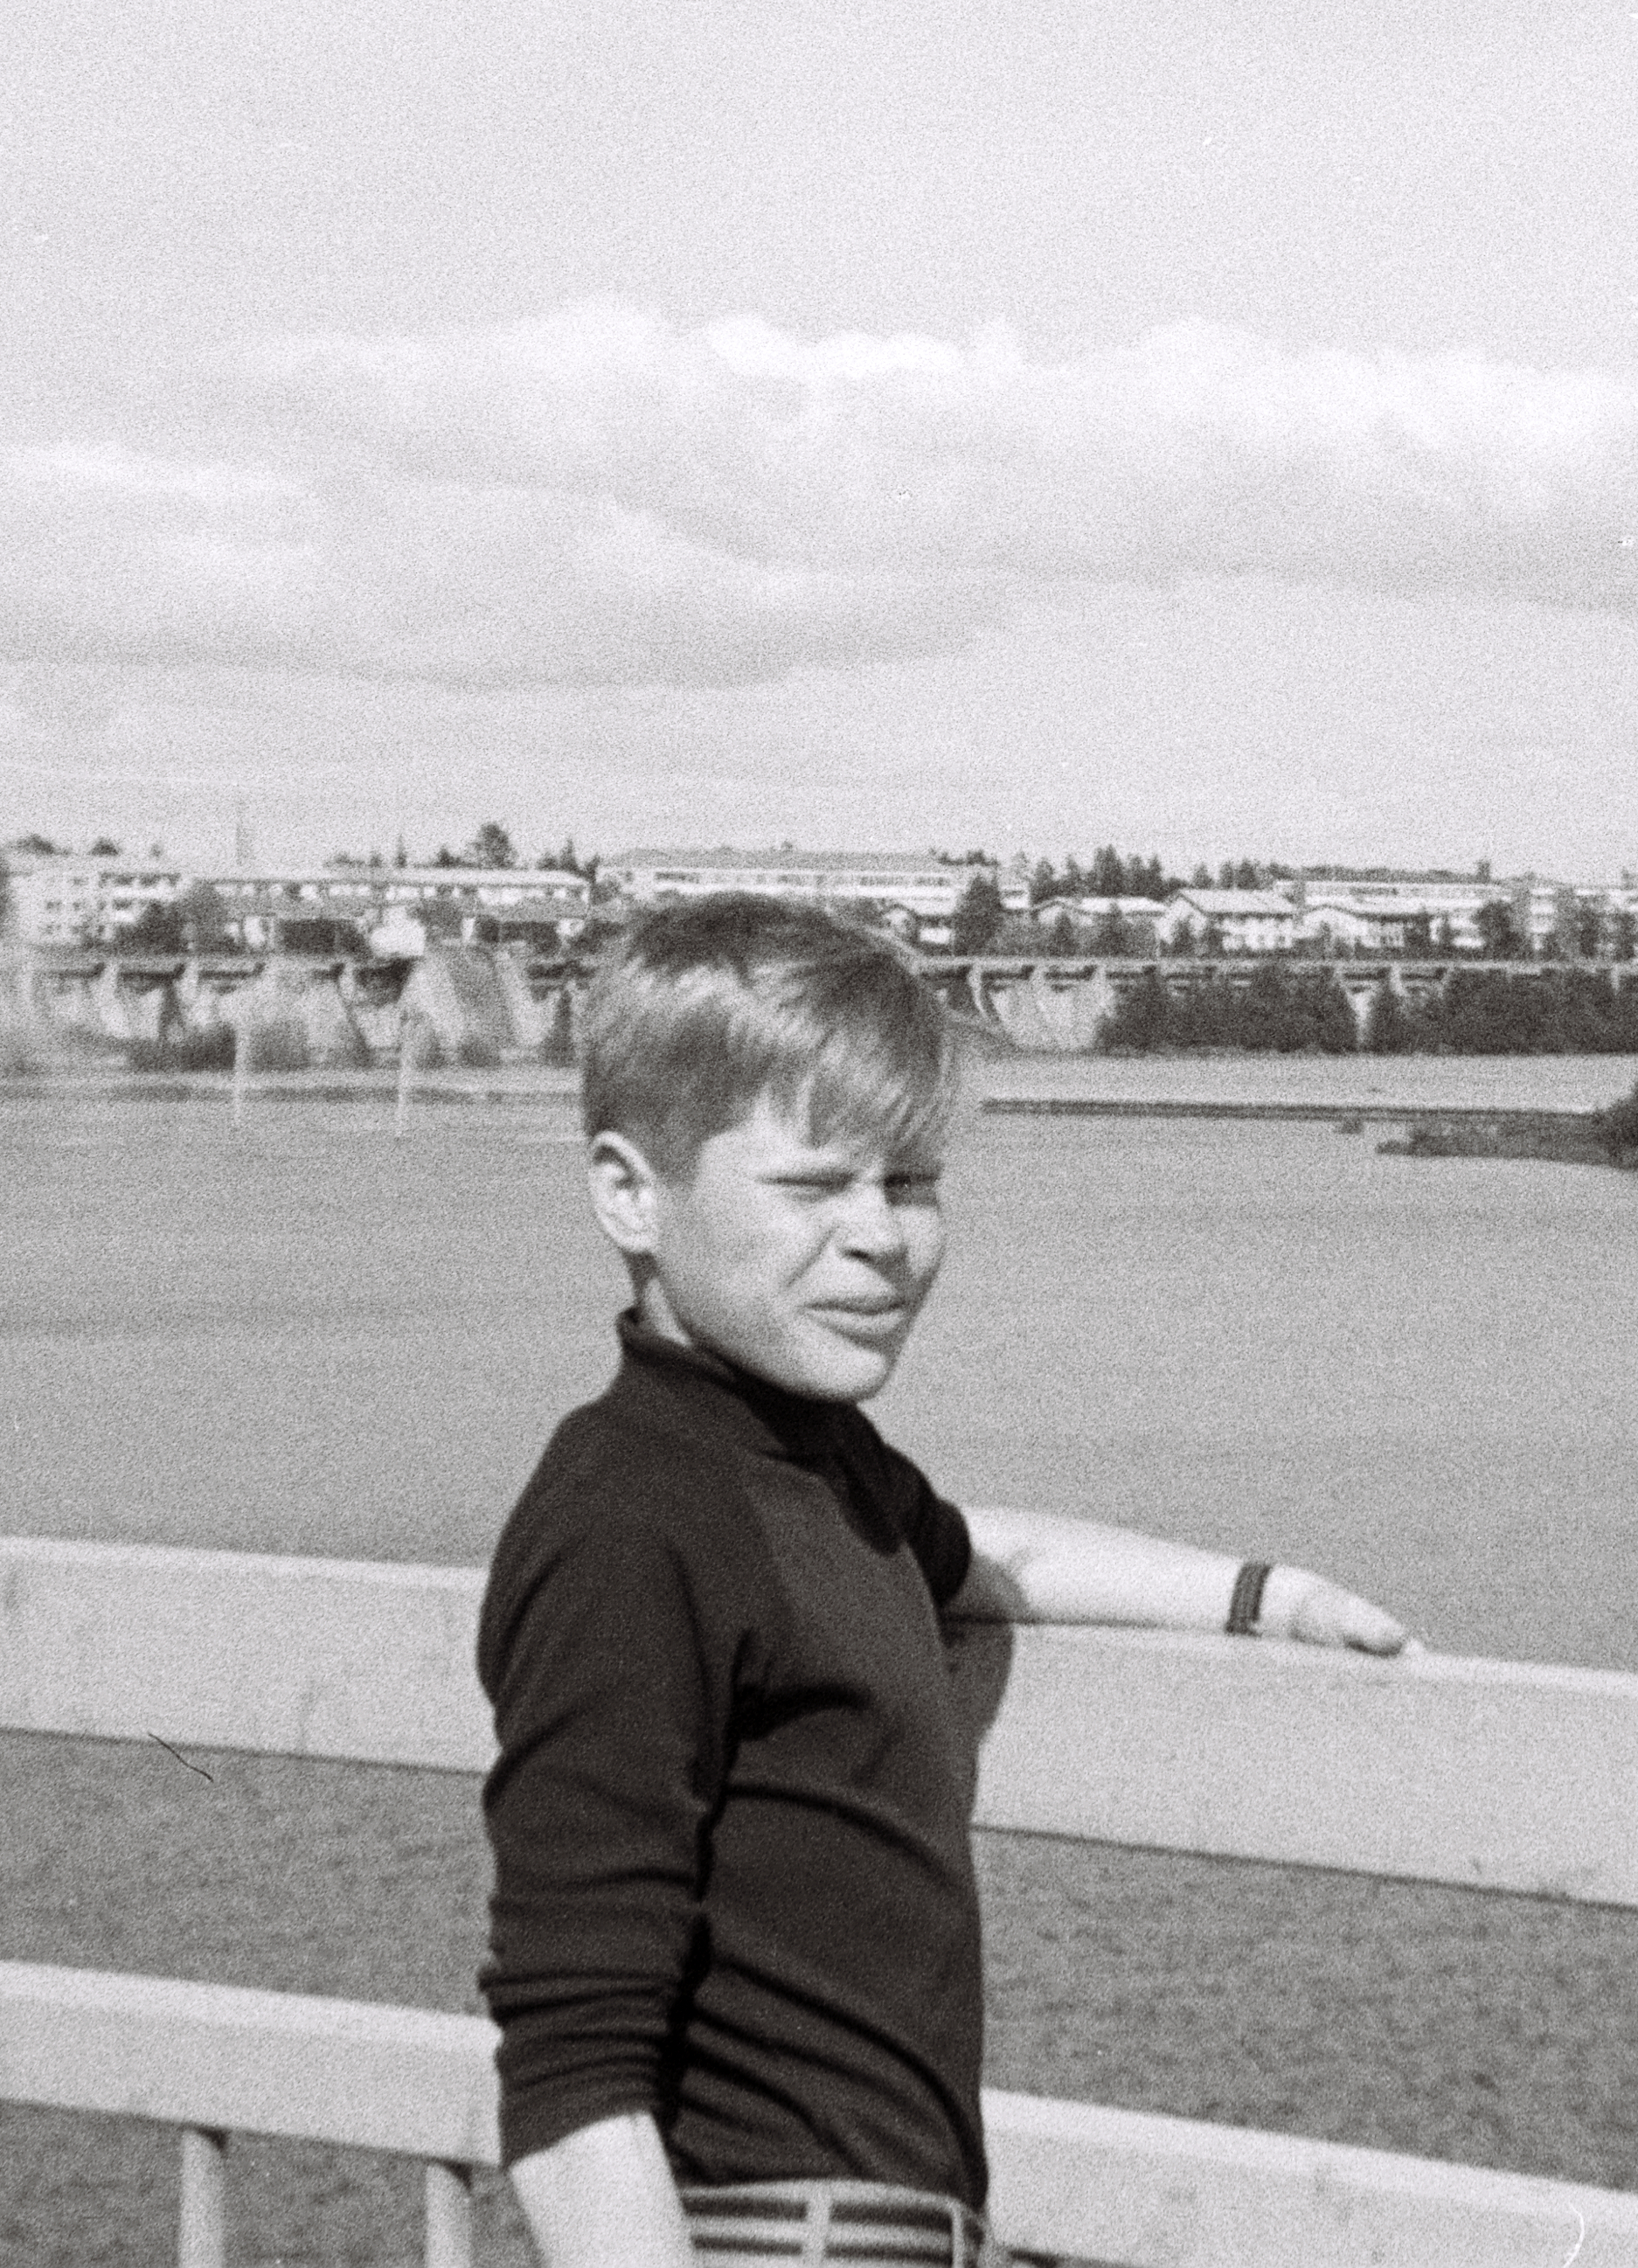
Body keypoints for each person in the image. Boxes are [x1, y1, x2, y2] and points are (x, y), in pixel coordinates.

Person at [480, 894, 1412, 2268]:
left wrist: (1264, 1596)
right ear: (631, 1191)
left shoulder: (811, 1470)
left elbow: (979, 1559)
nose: (881, 1237)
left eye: (909, 1181)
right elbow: (571, 2079)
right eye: (812, 1184)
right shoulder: (632, 1515)